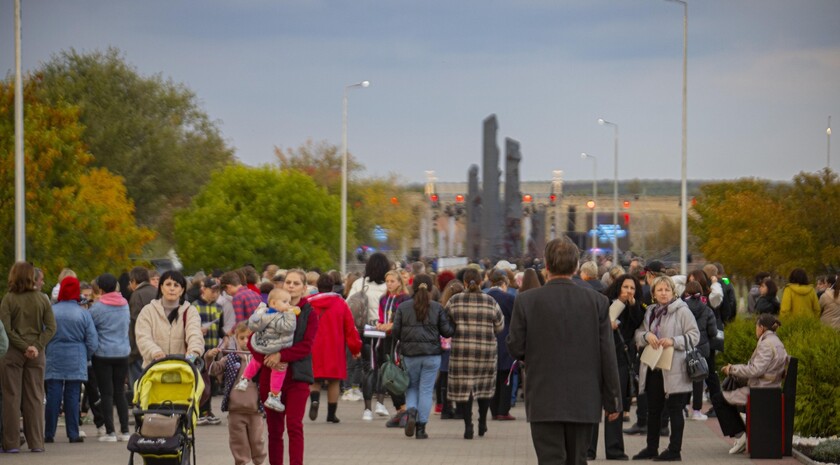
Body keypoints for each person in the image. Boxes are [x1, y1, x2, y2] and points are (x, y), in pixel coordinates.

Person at [507, 239, 621, 464]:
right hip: (584, 398)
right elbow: (607, 354)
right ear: (576, 266)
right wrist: (613, 400)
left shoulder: (526, 301)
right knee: (578, 459)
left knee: (549, 459)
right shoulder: (597, 302)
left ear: (546, 266)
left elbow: (515, 347)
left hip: (543, 397)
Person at [250, 269, 318, 465]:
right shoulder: (266, 309)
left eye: (296, 283)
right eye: (288, 282)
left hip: (297, 377)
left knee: (295, 426)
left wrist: (281, 355)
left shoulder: (309, 314)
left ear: (304, 288)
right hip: (270, 377)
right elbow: (252, 340)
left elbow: (307, 346)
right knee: (274, 430)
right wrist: (266, 358)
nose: (291, 286)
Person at [632, 275, 700, 462]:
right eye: (659, 290)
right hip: (654, 367)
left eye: (667, 290)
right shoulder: (651, 312)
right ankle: (651, 448)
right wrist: (647, 336)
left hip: (675, 368)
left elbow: (694, 336)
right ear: (653, 293)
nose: (663, 293)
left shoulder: (682, 311)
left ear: (673, 292)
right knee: (653, 410)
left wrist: (673, 341)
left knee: (675, 410)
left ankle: (674, 451)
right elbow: (638, 334)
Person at [710, 314, 788, 455]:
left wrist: (732, 369)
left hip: (761, 390)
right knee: (725, 395)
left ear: (762, 327)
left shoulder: (766, 344)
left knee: (718, 399)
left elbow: (755, 370)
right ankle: (743, 434)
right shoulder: (776, 341)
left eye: (756, 327)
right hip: (769, 387)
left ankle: (741, 436)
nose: (755, 330)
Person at [0, 261, 56, 453]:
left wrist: (23, 346)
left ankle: (11, 443)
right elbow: (51, 327)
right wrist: (36, 346)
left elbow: (6, 329)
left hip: (12, 352)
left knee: (11, 398)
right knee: (34, 398)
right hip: (36, 354)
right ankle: (36, 443)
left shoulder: (8, 299)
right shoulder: (42, 299)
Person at [587, 273, 644, 461]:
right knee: (593, 403)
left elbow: (638, 323)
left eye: (632, 288)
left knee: (616, 405)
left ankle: (615, 449)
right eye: (625, 287)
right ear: (619, 286)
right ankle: (588, 448)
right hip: (598, 357)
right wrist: (619, 302)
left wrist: (632, 305)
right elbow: (602, 320)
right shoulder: (604, 301)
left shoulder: (635, 308)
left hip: (620, 359)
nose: (628, 291)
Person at [391, 274, 454, 439]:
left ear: (413, 287)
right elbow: (447, 331)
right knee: (426, 390)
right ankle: (421, 428)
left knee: (411, 387)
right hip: (432, 355)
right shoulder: (437, 307)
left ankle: (411, 411)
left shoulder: (403, 307)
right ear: (431, 288)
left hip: (410, 354)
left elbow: (396, 332)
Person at [445, 267, 504, 440]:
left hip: (461, 352)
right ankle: (482, 422)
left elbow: (446, 324)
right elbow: (500, 326)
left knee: (465, 389)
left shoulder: (455, 301)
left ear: (464, 283)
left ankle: (467, 426)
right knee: (483, 387)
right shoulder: (490, 301)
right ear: (481, 282)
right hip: (485, 352)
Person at [45, 276, 100, 444]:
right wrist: (86, 354)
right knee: (73, 395)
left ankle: (49, 433)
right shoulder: (83, 313)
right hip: (76, 355)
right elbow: (92, 340)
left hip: (54, 353)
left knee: (53, 394)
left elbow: (43, 333)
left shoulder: (51, 311)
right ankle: (73, 433)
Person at [206, 322, 267, 465]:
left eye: (249, 338)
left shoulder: (260, 359)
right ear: (235, 338)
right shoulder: (229, 358)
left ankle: (259, 462)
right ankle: (242, 462)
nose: (246, 341)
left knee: (258, 441)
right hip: (235, 410)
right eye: (242, 338)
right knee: (238, 442)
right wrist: (209, 357)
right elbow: (214, 370)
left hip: (255, 410)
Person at [308, 274, 362, 423]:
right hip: (335, 347)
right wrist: (355, 348)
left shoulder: (308, 303)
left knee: (314, 379)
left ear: (317, 286)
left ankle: (314, 401)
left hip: (314, 346)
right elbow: (350, 329)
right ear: (332, 287)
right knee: (334, 381)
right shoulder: (341, 304)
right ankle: (331, 415)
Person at [237, 289, 300, 412]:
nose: (288, 305)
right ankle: (274, 396)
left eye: (289, 302)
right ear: (274, 303)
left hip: (262, 345)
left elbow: (253, 323)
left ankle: (244, 379)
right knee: (279, 369)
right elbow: (288, 327)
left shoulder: (263, 314)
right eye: (285, 302)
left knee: (256, 361)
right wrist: (290, 314)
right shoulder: (278, 317)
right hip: (275, 347)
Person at [88, 273, 132, 442]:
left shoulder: (98, 308)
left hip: (103, 354)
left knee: (106, 393)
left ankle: (110, 432)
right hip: (122, 353)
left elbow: (90, 327)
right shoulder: (125, 304)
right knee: (120, 392)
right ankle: (126, 431)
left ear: (100, 288)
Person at [345, 252, 389, 420]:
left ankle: (367, 410)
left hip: (365, 330)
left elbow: (348, 306)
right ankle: (381, 403)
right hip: (384, 330)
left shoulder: (359, 283)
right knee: (382, 367)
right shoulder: (389, 286)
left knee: (367, 368)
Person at [134, 270, 204, 368]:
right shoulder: (148, 311)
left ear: (182, 290)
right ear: (161, 288)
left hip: (182, 370)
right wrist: (155, 352)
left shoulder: (190, 311)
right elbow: (143, 337)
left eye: (176, 285)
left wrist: (192, 355)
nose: (172, 288)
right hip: (154, 370)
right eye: (168, 284)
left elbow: (195, 334)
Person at [376, 270, 410, 425]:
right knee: (386, 374)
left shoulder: (405, 299)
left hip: (398, 341)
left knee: (395, 374)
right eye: (387, 281)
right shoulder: (383, 298)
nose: (389, 284)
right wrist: (379, 324)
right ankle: (398, 411)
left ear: (399, 282)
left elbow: (403, 321)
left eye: (392, 281)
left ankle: (404, 409)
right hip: (384, 339)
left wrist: (390, 325)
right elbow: (381, 317)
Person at [682, 281, 719, 422]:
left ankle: (682, 408)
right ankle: (696, 411)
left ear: (686, 292)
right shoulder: (707, 309)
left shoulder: (681, 308)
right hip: (701, 347)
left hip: (684, 346)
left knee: (683, 378)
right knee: (698, 378)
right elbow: (713, 331)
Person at [485, 270, 516, 421]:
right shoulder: (509, 298)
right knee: (506, 377)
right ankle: (503, 411)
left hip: (487, 341)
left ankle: (493, 409)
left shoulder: (484, 297)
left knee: (492, 379)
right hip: (505, 342)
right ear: (503, 284)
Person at [193, 277, 224, 425]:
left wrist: (226, 336)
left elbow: (221, 329)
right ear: (203, 289)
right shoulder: (194, 306)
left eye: (217, 291)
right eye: (212, 290)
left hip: (213, 349)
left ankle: (207, 410)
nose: (215, 293)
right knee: (200, 381)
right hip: (199, 349)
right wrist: (198, 330)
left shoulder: (219, 308)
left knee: (211, 380)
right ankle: (198, 411)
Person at [127, 267, 158, 392]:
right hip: (157, 343)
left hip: (140, 346)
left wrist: (132, 349)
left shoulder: (136, 295)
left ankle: (140, 402)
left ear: (134, 281)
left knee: (138, 380)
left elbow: (135, 323)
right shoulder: (157, 292)